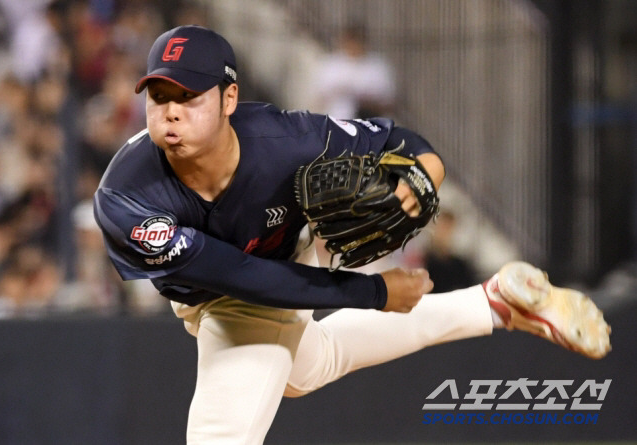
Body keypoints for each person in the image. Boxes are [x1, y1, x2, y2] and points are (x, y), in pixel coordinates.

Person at [93, 25, 611, 444]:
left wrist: (428, 168)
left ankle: (495, 306)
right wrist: (375, 292)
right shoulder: (126, 198)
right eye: (159, 96)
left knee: (219, 435)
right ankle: (495, 304)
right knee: (308, 366)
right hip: (231, 281)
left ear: (230, 98)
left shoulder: (287, 139)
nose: (171, 111)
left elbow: (396, 137)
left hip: (269, 272)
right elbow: (242, 275)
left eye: (188, 95)